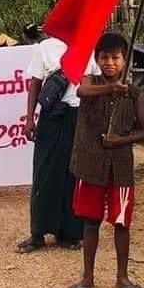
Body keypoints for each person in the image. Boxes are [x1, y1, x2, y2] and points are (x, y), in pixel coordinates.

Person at [65, 32, 144, 288]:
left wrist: (120, 140)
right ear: (97, 59)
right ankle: (87, 278)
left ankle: (122, 277)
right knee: (90, 222)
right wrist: (111, 89)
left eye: (115, 58)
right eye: (104, 57)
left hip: (121, 167)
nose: (110, 63)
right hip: (91, 165)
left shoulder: (134, 93)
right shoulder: (91, 82)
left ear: (124, 61)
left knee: (121, 223)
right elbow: (81, 91)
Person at [17, 35, 100, 253]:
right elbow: (35, 83)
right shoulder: (45, 47)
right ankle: (38, 234)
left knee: (73, 174)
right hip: (51, 115)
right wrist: (29, 118)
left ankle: (70, 233)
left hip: (78, 115)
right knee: (44, 172)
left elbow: (89, 83)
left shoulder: (87, 47)